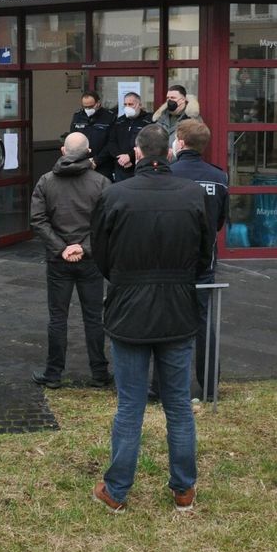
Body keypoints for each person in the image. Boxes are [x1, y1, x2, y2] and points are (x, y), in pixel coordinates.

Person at [90, 123, 212, 513]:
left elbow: (102, 255)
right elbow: (204, 254)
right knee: (178, 404)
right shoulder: (192, 194)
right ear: (170, 152)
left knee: (130, 404)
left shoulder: (116, 194)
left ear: (139, 153)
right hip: (177, 308)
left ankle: (117, 491)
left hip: (129, 310)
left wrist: (127, 282)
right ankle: (183, 489)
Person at [29, 132, 110, 389]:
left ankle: (53, 373)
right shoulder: (101, 183)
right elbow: (106, 223)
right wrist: (84, 248)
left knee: (57, 317)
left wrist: (61, 248)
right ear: (88, 152)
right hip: (91, 260)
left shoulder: (46, 181)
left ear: (63, 151)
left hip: (58, 261)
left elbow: (38, 220)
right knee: (94, 317)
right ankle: (99, 372)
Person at [168, 120, 229, 400]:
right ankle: (210, 387)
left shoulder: (168, 174)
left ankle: (168, 385)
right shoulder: (219, 177)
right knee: (203, 321)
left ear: (180, 142)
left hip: (172, 260)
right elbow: (219, 222)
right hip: (204, 261)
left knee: (168, 319)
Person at [105, 92, 152, 182]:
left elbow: (148, 143)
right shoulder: (119, 121)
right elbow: (111, 142)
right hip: (121, 166)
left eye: (130, 104)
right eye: (125, 104)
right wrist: (120, 158)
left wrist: (130, 157)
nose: (127, 107)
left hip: (140, 166)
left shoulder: (148, 121)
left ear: (140, 105)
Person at [68, 91, 116, 177]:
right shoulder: (78, 116)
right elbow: (73, 138)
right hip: (81, 162)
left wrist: (96, 160)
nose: (87, 109)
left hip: (103, 164)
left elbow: (112, 142)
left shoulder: (109, 117)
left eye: (90, 106)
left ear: (98, 103)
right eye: (85, 107)